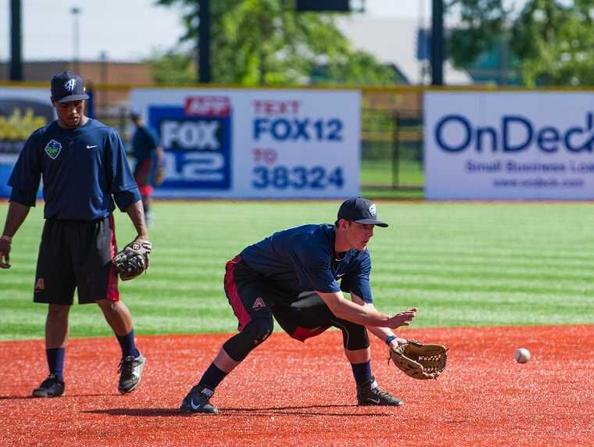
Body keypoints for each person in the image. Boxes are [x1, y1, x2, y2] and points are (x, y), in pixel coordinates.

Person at [180, 197, 417, 414]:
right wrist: (385, 320)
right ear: (343, 224)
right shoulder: (312, 245)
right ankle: (200, 393)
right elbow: (337, 306)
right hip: (249, 277)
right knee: (259, 328)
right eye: (363, 226)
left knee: (356, 318)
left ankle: (367, 390)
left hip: (292, 290)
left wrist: (392, 339)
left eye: (372, 227)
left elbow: (364, 307)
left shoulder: (359, 256)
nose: (370, 233)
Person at [0, 71, 148, 398]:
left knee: (107, 301)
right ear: (54, 104)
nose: (72, 110)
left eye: (77, 103)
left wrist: (142, 233)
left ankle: (131, 355)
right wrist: (7, 236)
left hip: (96, 228)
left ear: (85, 101)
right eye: (65, 104)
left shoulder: (105, 136)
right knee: (56, 305)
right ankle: (55, 377)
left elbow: (126, 189)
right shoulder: (41, 140)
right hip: (56, 230)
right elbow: (23, 194)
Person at [129, 110, 164, 227]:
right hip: (139, 162)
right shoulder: (138, 131)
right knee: (138, 187)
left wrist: (160, 166)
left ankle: (148, 214)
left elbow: (158, 149)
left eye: (137, 118)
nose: (136, 121)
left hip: (147, 162)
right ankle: (144, 213)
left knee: (143, 188)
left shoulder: (147, 130)